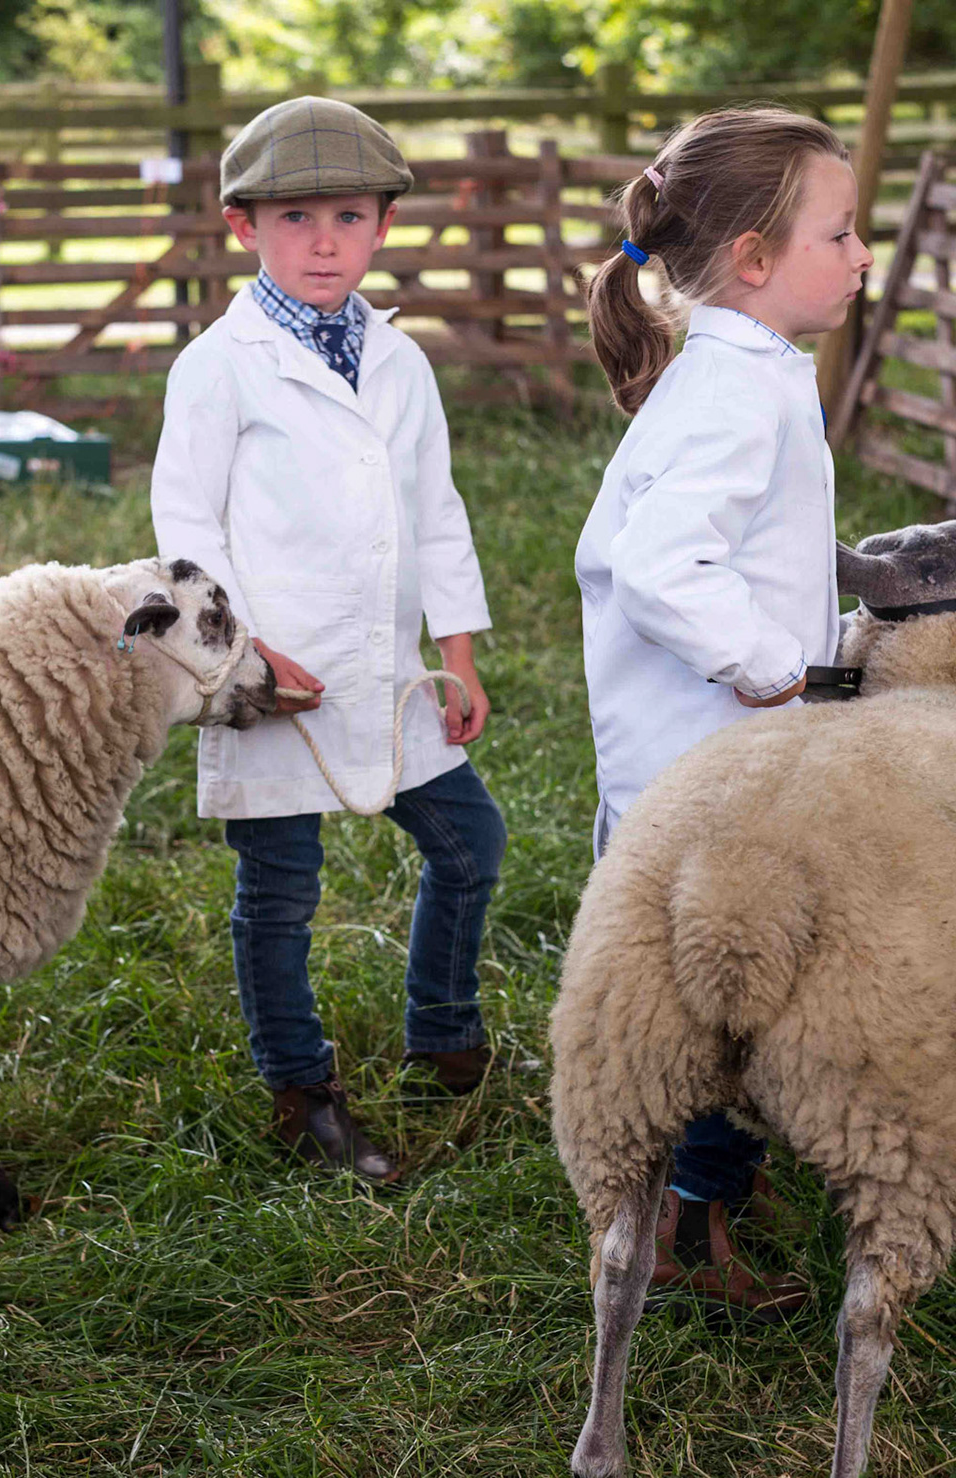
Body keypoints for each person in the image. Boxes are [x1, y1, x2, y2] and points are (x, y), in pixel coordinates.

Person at [150, 98, 509, 1183]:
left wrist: (458, 650)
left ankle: (442, 1027)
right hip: (275, 682)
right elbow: (186, 530)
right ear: (240, 224)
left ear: (383, 227)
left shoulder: (401, 362)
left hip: (388, 673)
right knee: (281, 889)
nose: (322, 241)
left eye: (348, 216)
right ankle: (301, 1084)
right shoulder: (219, 367)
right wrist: (240, 656)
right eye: (293, 216)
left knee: (470, 843)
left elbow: (436, 508)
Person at [574, 106, 875, 1317]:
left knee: (713, 999)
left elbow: (741, 544)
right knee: (716, 1005)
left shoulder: (746, 374)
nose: (862, 256)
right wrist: (772, 665)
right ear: (753, 258)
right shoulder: (732, 396)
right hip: (706, 777)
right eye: (841, 232)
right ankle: (689, 1223)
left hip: (705, 768)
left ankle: (692, 1198)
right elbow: (662, 569)